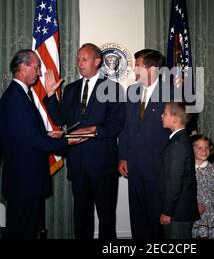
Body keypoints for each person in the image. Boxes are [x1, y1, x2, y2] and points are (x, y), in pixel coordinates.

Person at [43, 43, 125, 239]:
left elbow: (117, 123)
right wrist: (50, 95)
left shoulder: (112, 88)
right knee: (81, 217)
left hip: (103, 166)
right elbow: (59, 119)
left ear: (97, 61)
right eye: (78, 59)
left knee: (106, 218)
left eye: (84, 59)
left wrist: (94, 130)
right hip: (78, 165)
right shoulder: (71, 89)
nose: (79, 63)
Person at [0, 49, 82, 239]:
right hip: (24, 182)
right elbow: (32, 139)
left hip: (24, 181)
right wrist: (66, 140)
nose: (39, 73)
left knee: (24, 228)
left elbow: (21, 132)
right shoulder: (15, 98)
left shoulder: (19, 94)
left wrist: (48, 133)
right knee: (22, 231)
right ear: (23, 68)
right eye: (36, 68)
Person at [118, 49, 172, 239]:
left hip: (158, 167)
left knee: (156, 219)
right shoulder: (132, 91)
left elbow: (177, 134)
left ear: (152, 69)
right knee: (137, 216)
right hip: (133, 165)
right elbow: (126, 128)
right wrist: (123, 157)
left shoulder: (171, 93)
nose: (134, 69)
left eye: (138, 65)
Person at [159, 102, 199, 239]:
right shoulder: (179, 140)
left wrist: (167, 211)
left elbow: (174, 181)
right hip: (178, 209)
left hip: (178, 212)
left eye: (165, 113)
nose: (162, 115)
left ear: (175, 119)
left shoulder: (178, 145)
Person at [191, 134, 214, 239]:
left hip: (211, 213)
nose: (204, 151)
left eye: (207, 148)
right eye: (200, 148)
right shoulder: (188, 170)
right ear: (192, 149)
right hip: (195, 213)